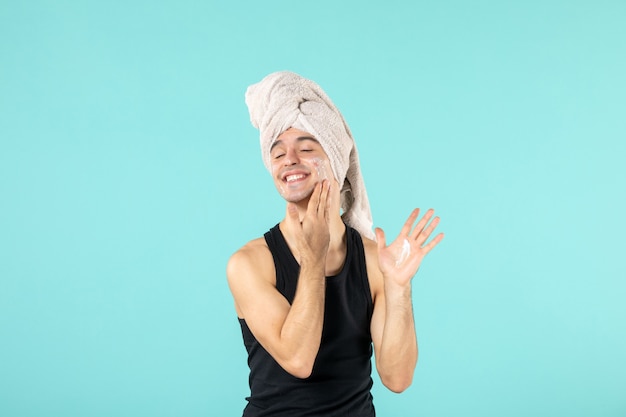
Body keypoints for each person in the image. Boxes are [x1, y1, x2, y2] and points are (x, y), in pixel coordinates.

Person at [227, 71, 444, 417]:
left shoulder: (374, 259)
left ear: (337, 162)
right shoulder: (250, 263)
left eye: (307, 148)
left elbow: (398, 377)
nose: (290, 160)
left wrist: (398, 287)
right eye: (278, 152)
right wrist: (314, 258)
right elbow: (297, 359)